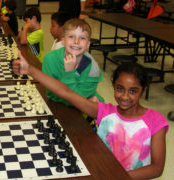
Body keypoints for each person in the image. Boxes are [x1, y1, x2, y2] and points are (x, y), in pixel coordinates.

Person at [13, 56, 169, 179]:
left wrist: (115, 177)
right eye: (120, 88)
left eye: (133, 91)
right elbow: (65, 92)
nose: (125, 96)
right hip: (99, 174)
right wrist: (30, 70)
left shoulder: (155, 121)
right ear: (114, 86)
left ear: (143, 90)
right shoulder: (105, 112)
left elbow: (156, 168)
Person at [43, 18, 104, 107]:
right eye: (71, 36)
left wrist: (69, 73)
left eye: (82, 38)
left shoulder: (93, 71)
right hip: (58, 106)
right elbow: (50, 93)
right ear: (63, 41)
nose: (76, 41)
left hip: (85, 110)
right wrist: (83, 100)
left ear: (88, 44)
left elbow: (75, 102)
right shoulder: (50, 59)